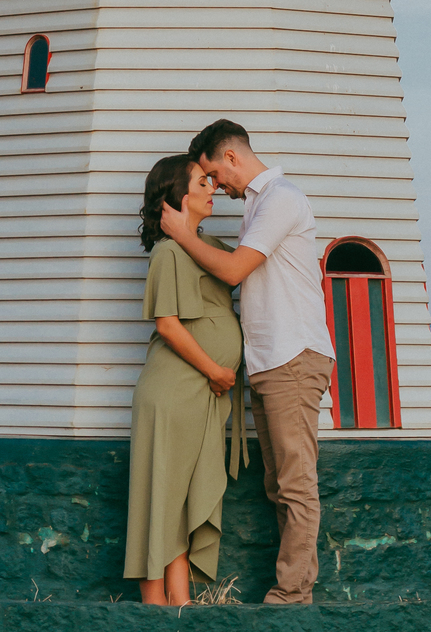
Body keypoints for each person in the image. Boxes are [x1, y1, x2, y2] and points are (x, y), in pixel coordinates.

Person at [160, 121, 335, 606]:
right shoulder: (260, 203)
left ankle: (292, 595)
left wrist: (181, 233)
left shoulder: (281, 198)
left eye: (215, 174)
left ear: (232, 157)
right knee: (280, 485)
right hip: (272, 360)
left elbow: (236, 270)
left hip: (292, 356)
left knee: (295, 484)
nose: (216, 186)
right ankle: (293, 590)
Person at [124, 153, 247, 605]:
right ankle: (153, 607)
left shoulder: (206, 245)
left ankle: (181, 605)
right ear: (177, 195)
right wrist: (216, 370)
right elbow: (168, 324)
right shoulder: (169, 252)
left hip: (202, 394)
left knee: (180, 496)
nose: (212, 188)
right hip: (175, 391)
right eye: (201, 183)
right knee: (159, 494)